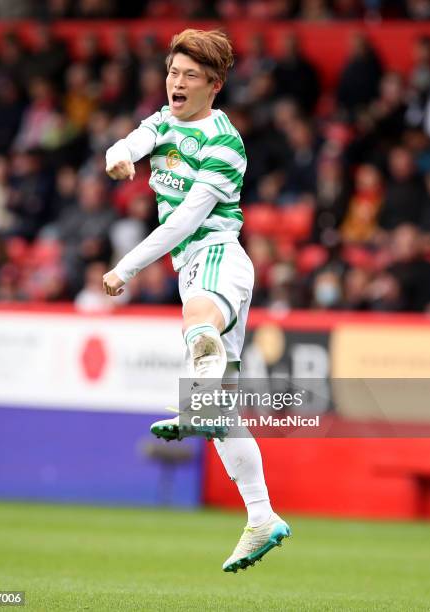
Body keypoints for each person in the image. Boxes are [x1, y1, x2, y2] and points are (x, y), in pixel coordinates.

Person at [102, 29, 290, 573]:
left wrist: (125, 268)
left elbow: (187, 220)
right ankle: (261, 517)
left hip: (217, 258)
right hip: (193, 268)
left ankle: (194, 397)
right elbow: (133, 141)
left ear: (214, 85)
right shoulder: (164, 118)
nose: (175, 83)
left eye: (188, 76)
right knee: (221, 409)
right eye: (171, 72)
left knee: (197, 320)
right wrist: (119, 157)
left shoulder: (224, 144)